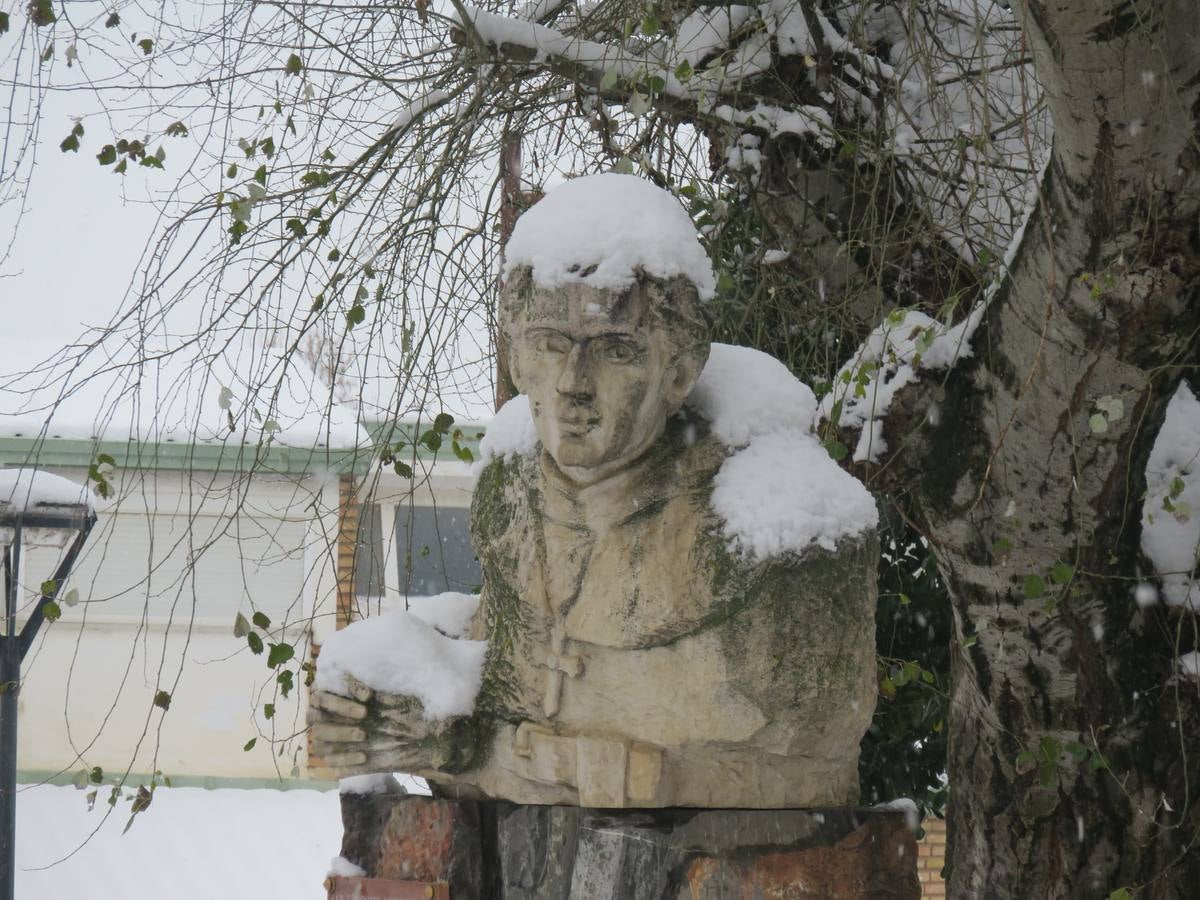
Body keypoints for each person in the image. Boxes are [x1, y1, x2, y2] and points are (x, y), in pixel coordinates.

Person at [309, 175, 876, 808]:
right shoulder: (511, 492)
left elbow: (808, 762)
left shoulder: (773, 532)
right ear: (518, 362)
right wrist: (395, 701)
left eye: (613, 351)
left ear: (679, 373)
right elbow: (502, 653)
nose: (574, 385)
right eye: (550, 347)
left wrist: (516, 755)